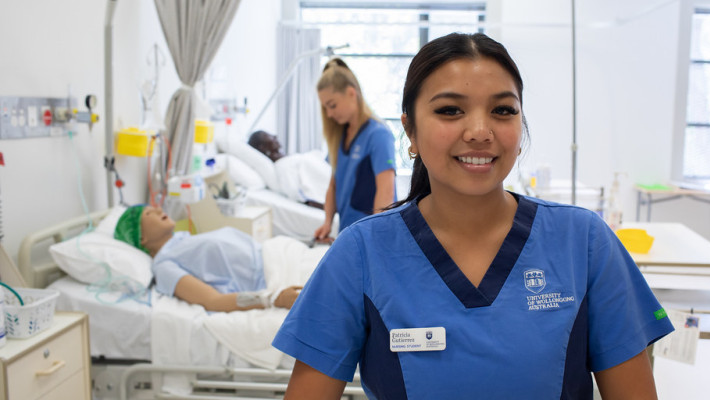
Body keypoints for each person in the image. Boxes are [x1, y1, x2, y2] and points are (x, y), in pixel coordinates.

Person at [272, 32, 674, 399]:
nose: (481, 131)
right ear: (410, 131)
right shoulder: (360, 253)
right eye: (450, 110)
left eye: (502, 110)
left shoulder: (583, 242)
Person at [114, 204, 302, 311]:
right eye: (149, 213)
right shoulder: (164, 265)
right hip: (274, 278)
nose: (158, 209)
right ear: (141, 238)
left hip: (281, 256)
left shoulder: (181, 240)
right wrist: (273, 299)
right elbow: (213, 301)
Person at [313, 58, 396, 242]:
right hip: (348, 234)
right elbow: (333, 186)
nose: (329, 114)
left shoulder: (379, 135)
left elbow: (386, 191)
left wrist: (375, 237)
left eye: (332, 105)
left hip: (372, 234)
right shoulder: (340, 136)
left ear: (352, 93)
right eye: (325, 107)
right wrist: (327, 222)